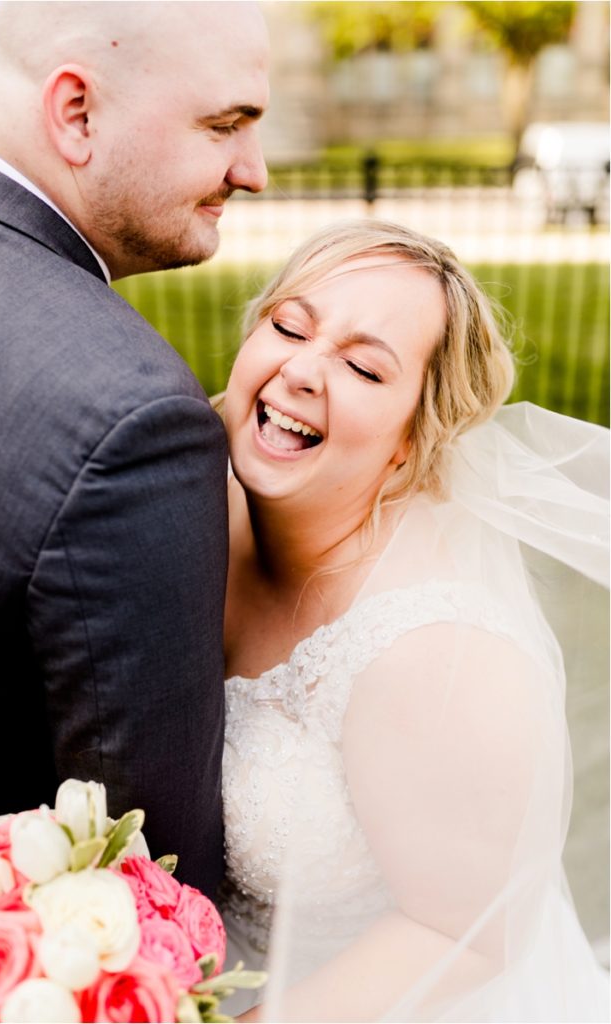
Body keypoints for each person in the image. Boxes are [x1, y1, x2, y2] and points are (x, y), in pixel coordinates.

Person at [214, 220, 610, 1020]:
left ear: (410, 442)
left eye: (363, 367)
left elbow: (461, 930)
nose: (301, 370)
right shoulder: (186, 483)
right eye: (289, 325)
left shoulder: (434, 648)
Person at [0, 0, 269, 899]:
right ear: (76, 112)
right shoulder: (133, 420)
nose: (254, 170)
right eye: (224, 125)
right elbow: (151, 887)